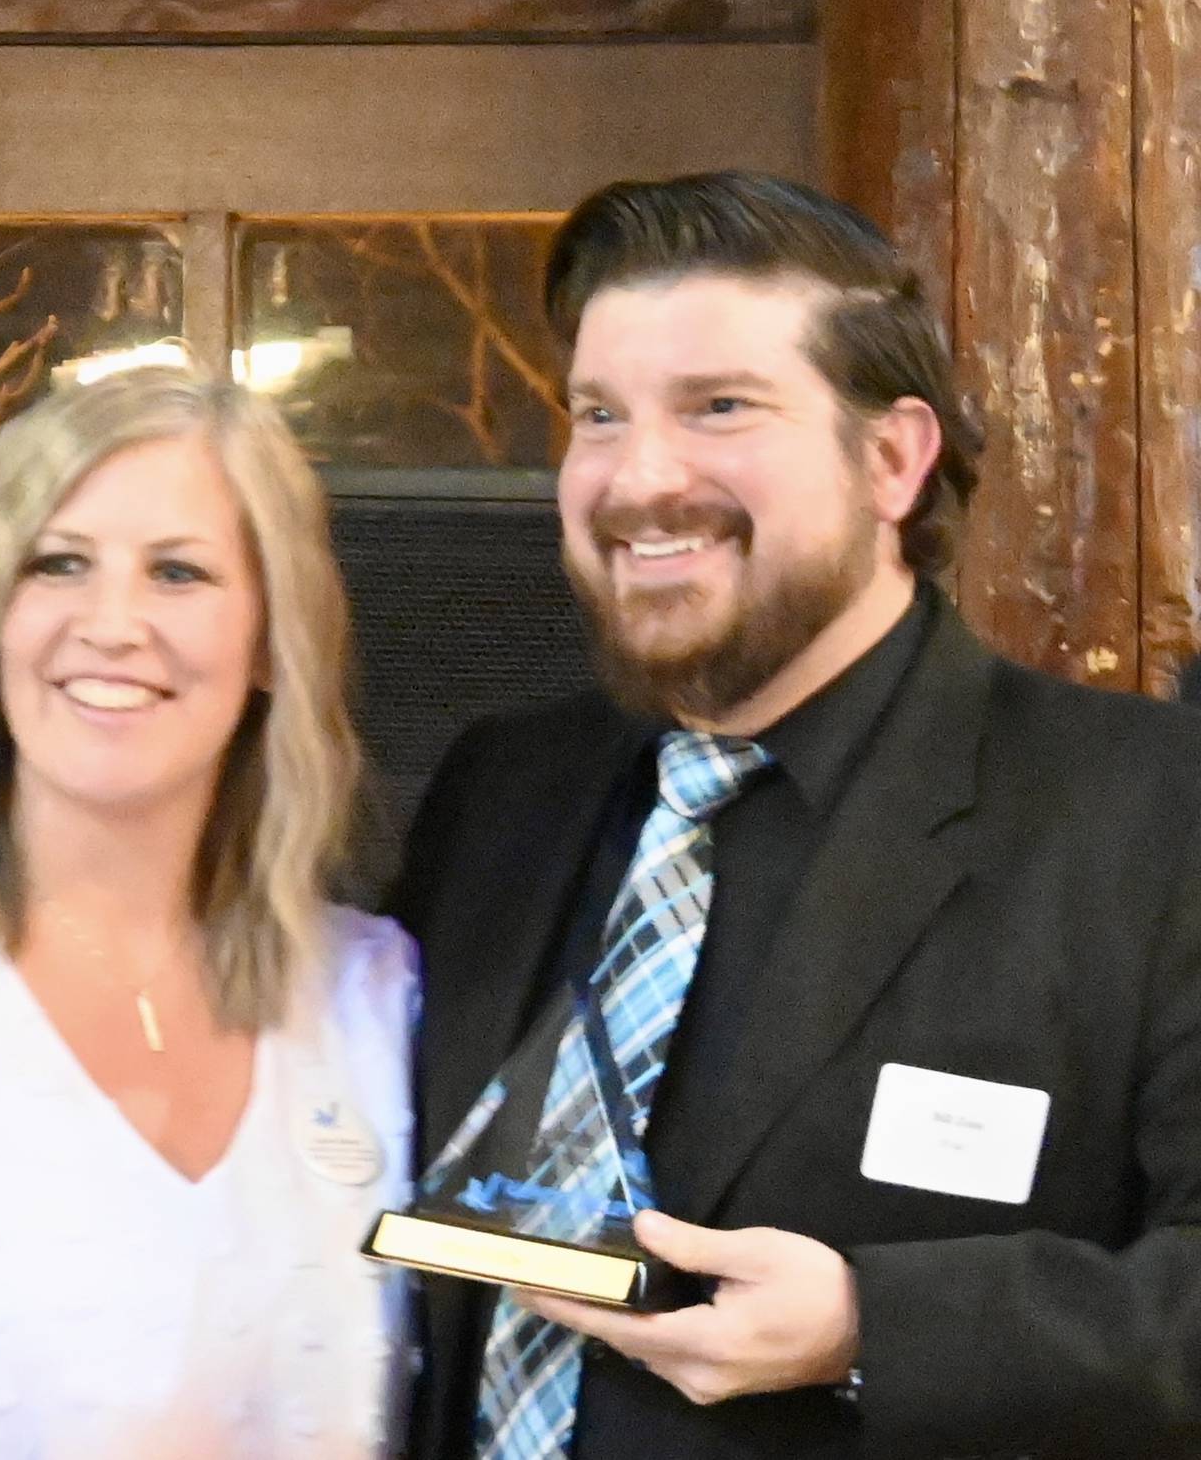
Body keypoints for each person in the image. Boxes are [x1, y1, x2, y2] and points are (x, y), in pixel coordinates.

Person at [391, 172, 1201, 1460]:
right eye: (598, 414)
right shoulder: (500, 795)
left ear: (892, 459)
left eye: (719, 407)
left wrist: (877, 1326)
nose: (638, 477)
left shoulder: (1154, 813)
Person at [0, 367, 416, 1458]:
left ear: (268, 641)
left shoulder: (373, 996)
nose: (112, 624)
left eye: (179, 573)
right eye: (58, 564)